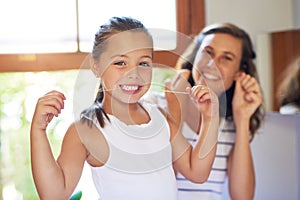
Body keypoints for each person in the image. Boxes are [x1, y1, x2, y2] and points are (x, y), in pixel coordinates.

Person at [30, 16, 220, 200]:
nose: (134, 73)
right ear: (96, 67)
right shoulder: (85, 130)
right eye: (120, 63)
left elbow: (197, 171)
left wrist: (210, 118)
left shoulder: (159, 117)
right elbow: (54, 195)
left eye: (143, 63)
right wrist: (38, 131)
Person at [161, 23, 264, 200]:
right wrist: (176, 113)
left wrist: (242, 120)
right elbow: (160, 186)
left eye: (227, 58)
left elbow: (243, 197)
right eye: (208, 52)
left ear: (239, 72)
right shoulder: (158, 106)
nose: (212, 64)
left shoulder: (231, 125)